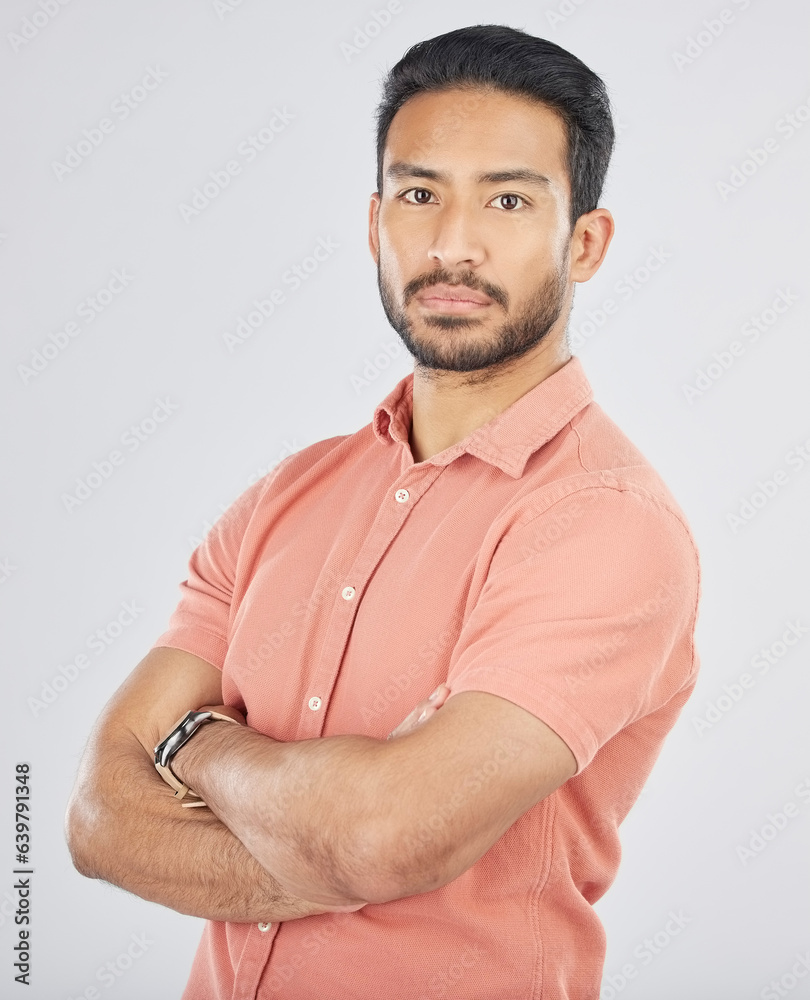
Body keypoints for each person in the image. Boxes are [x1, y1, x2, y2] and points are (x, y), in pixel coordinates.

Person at [65, 23, 701, 1000]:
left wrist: (198, 742)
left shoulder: (604, 523)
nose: (453, 242)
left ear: (585, 242)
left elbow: (380, 837)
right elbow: (101, 817)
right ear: (374, 224)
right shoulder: (287, 496)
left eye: (506, 197)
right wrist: (330, 840)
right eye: (419, 194)